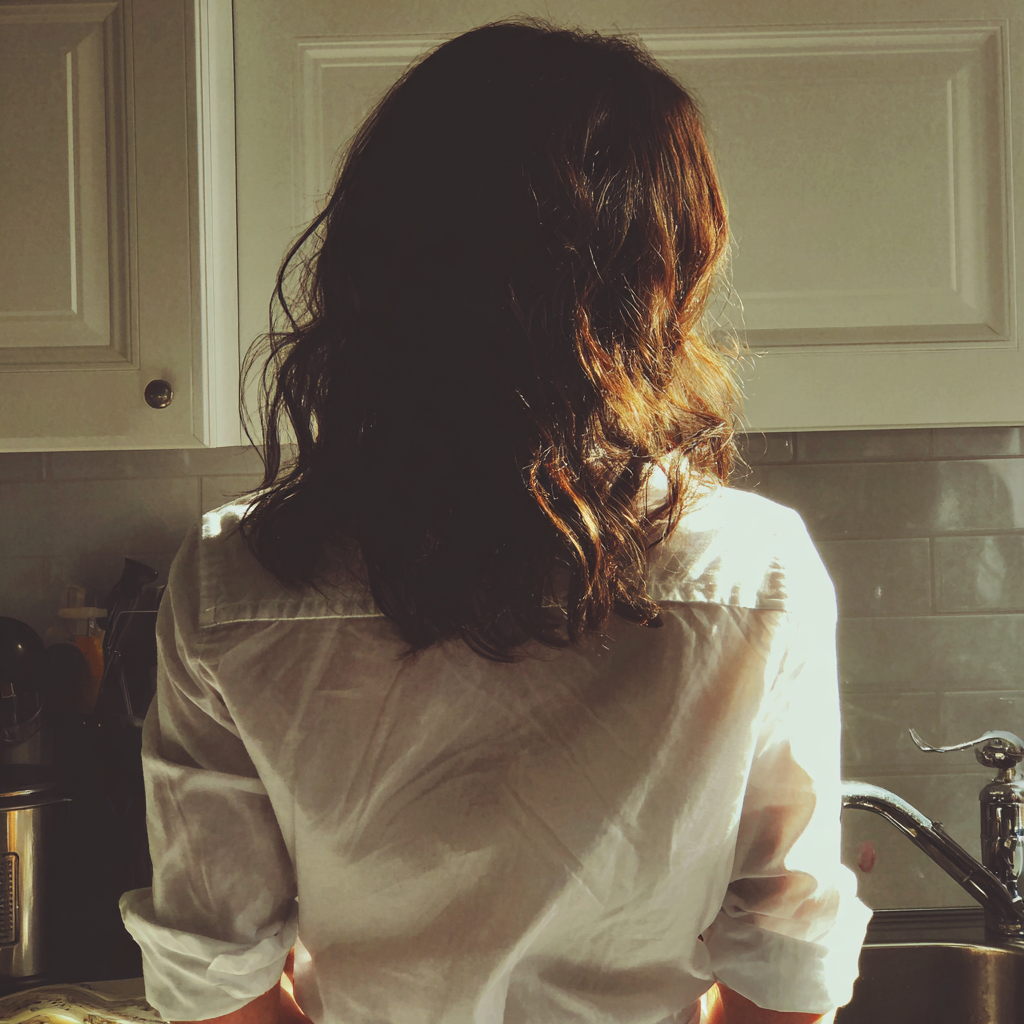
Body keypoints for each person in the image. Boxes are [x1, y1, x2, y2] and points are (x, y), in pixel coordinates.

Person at [120, 19, 870, 1024]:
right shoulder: (756, 571)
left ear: (374, 261)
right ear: (655, 278)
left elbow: (214, 982)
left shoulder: (233, 582)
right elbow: (786, 976)